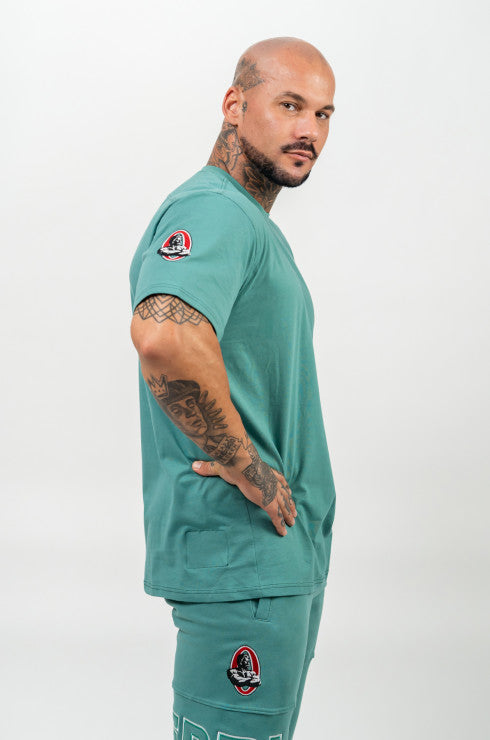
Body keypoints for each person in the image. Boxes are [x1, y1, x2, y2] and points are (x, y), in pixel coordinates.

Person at [129, 36, 337, 740]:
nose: (309, 129)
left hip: (270, 567)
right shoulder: (213, 210)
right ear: (234, 105)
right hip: (243, 561)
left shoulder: (248, 224)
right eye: (290, 105)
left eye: (323, 114)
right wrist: (246, 466)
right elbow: (164, 335)